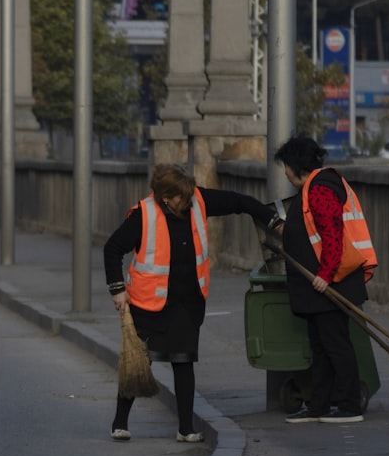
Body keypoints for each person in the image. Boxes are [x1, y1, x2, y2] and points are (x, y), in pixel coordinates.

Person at [104, 163, 279, 442]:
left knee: (184, 363)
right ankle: (120, 422)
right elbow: (112, 248)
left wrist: (271, 220)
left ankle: (186, 427)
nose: (187, 202)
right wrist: (117, 290)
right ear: (166, 198)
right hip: (149, 302)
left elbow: (239, 202)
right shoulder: (144, 215)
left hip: (187, 301)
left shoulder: (197, 200)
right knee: (138, 362)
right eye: (181, 199)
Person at [274, 136, 377, 424]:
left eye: (286, 167)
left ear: (296, 166)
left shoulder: (319, 190)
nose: (284, 172)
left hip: (332, 282)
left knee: (336, 344)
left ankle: (349, 405)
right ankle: (318, 403)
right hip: (321, 285)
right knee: (320, 346)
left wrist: (325, 276)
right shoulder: (312, 189)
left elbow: (333, 237)